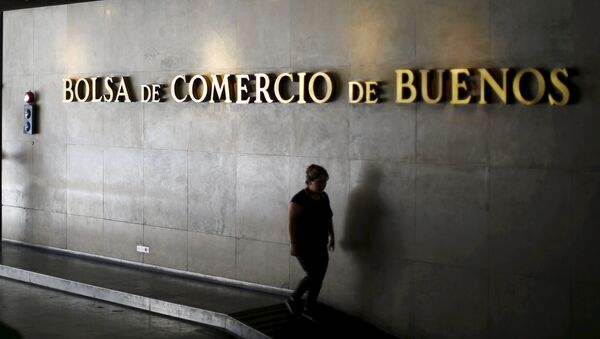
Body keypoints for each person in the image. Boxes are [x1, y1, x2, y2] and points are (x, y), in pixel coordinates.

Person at [285, 164, 335, 321]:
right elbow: (291, 224)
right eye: (320, 182)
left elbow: (328, 218)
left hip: (320, 243)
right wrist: (293, 244)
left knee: (319, 277)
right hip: (303, 245)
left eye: (325, 182)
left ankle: (308, 306)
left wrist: (332, 236)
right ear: (310, 181)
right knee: (313, 275)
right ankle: (294, 298)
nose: (323, 185)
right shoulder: (298, 199)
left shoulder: (324, 196)